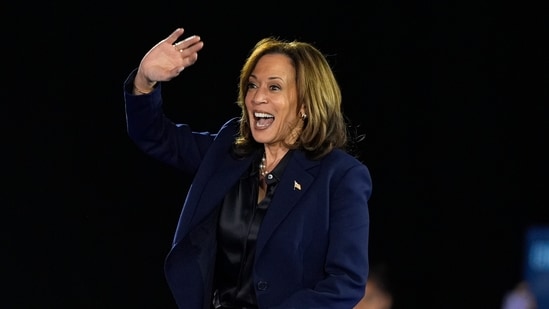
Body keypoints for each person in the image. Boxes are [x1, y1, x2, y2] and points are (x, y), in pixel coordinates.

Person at [123, 27, 373, 309]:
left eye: (274, 87)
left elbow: (345, 283)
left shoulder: (340, 176)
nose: (257, 98)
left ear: (305, 103)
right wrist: (144, 81)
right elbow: (156, 136)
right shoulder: (230, 150)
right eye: (252, 85)